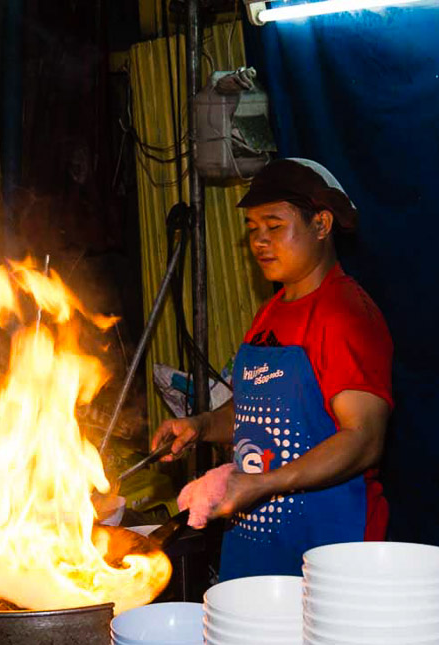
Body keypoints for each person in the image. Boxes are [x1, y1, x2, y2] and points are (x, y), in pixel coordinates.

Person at [152, 158, 393, 581]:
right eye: (251, 229)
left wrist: (265, 483)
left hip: (329, 553)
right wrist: (201, 426)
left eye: (274, 226)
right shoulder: (269, 315)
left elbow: (364, 438)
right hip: (258, 551)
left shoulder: (345, 315)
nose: (259, 241)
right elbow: (256, 412)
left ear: (321, 224)